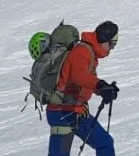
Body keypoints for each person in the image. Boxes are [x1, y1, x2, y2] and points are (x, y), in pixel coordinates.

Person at [45, 20, 119, 156]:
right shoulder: (82, 51)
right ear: (103, 40)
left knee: (105, 143)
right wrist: (99, 84)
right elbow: (78, 76)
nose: (111, 49)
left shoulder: (88, 53)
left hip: (74, 111)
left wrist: (104, 89)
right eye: (112, 44)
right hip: (62, 112)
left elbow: (82, 82)